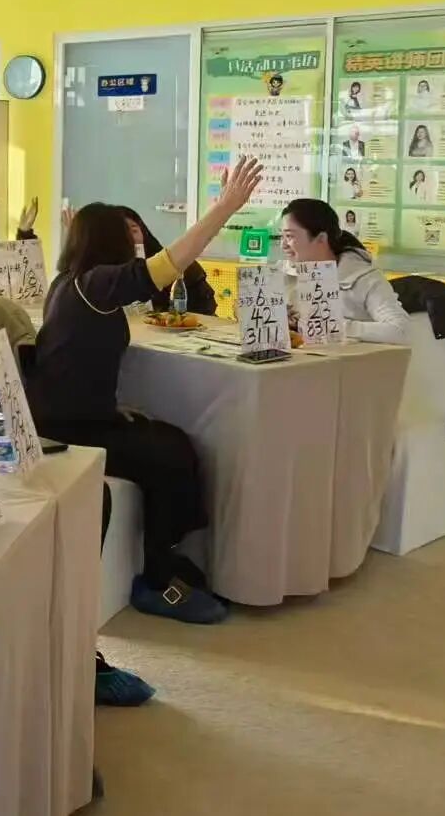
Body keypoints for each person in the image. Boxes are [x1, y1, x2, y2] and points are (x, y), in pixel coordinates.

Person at [29, 156, 264, 625]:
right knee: (170, 457)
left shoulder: (71, 283)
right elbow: (169, 263)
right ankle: (156, 579)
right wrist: (223, 209)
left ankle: (166, 556)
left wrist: (111, 407)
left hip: (78, 415)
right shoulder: (96, 284)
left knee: (172, 442)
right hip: (70, 428)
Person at [280, 198, 410, 344]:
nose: (283, 245)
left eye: (289, 236)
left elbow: (401, 330)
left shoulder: (363, 278)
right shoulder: (283, 275)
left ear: (321, 238)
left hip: (347, 358)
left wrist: (337, 326)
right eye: (281, 236)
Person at [116, 207, 217, 315]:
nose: (129, 238)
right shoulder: (108, 276)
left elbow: (206, 309)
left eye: (134, 231)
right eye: (119, 233)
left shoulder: (179, 264)